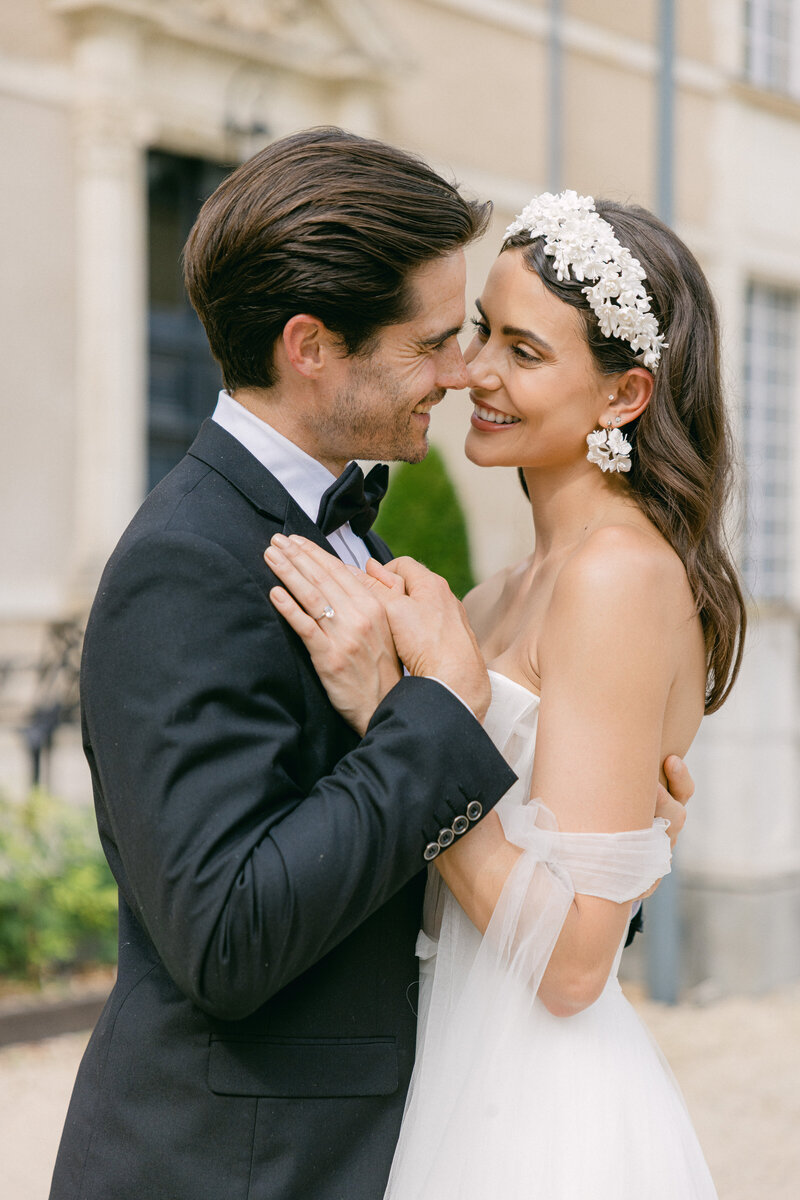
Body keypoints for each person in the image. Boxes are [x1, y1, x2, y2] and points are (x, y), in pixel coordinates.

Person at [50, 128, 692, 1200]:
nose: (460, 373)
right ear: (310, 347)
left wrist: (613, 853)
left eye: (493, 342)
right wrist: (425, 712)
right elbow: (225, 939)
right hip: (233, 1172)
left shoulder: (370, 554)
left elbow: (461, 878)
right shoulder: (186, 562)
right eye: (438, 339)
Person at [264, 190, 746, 1198]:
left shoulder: (618, 576)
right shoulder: (488, 599)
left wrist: (398, 713)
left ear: (621, 398)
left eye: (524, 353)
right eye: (483, 328)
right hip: (448, 1049)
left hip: (538, 1108)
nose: (475, 370)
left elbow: (573, 966)